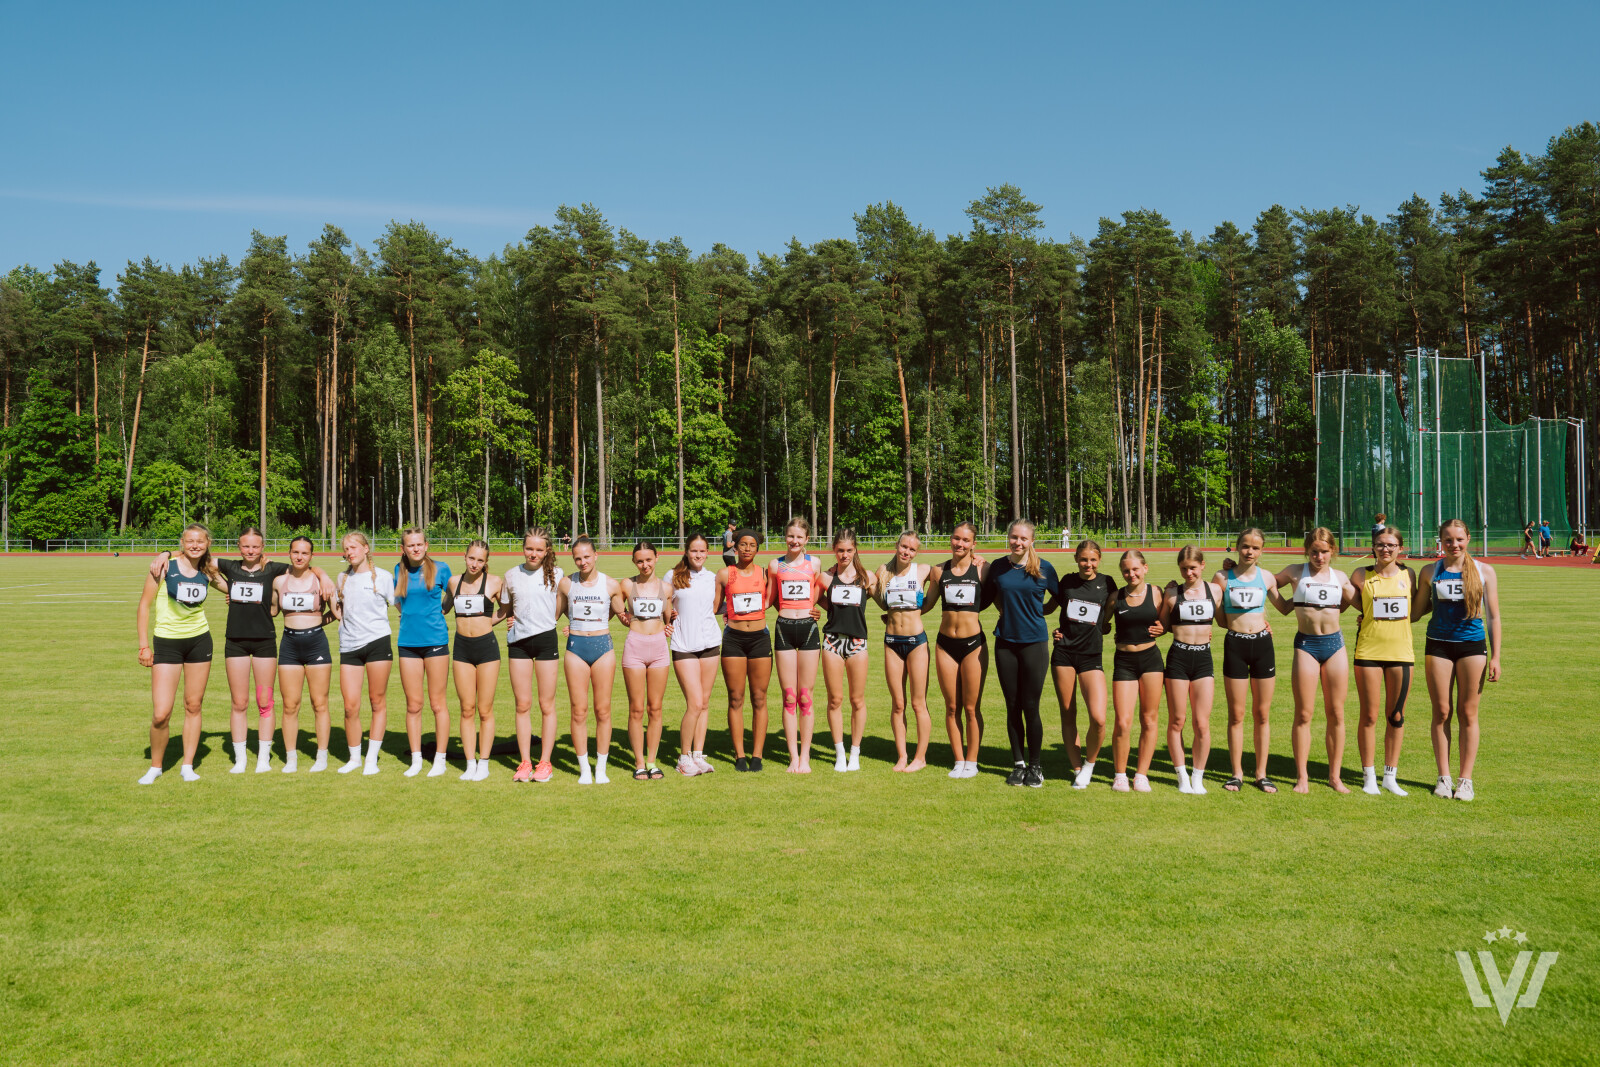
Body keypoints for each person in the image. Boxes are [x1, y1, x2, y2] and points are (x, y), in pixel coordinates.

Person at [147, 528, 335, 774]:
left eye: (255, 546)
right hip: (235, 643)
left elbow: (303, 566)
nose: (250, 550)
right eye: (246, 546)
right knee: (239, 702)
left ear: (263, 547)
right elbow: (195, 553)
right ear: (238, 546)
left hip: (265, 643)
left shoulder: (274, 569)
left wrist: (324, 574)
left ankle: (263, 759)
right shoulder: (230, 566)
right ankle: (241, 759)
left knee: (265, 702)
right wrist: (166, 553)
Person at [1413, 519, 1502, 802]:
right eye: (1448, 540)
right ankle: (1443, 777)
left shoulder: (1484, 571)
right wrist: (1370, 612)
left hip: (1472, 647)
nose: (1454, 544)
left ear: (1468, 539)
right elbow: (1414, 612)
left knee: (1468, 713)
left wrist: (1496, 656)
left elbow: (1493, 617)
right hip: (1438, 645)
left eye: (1459, 539)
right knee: (1441, 712)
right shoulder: (1430, 571)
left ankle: (1465, 780)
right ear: (1440, 541)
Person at [135, 524, 228, 783]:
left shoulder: (208, 571)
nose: (195, 545)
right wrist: (144, 646)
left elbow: (234, 588)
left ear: (208, 543)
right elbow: (144, 606)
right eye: (190, 541)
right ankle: (155, 767)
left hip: (199, 642)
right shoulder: (164, 567)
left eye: (200, 541)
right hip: (167, 643)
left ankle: (188, 765)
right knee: (161, 713)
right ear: (182, 543)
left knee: (193, 705)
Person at [1269, 528, 1356, 794]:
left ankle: (1335, 777)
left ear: (1333, 551)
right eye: (1314, 552)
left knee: (1336, 713)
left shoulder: (1340, 577)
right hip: (1306, 645)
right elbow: (1262, 582)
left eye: (1324, 552)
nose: (1319, 557)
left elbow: (1362, 602)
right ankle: (1302, 777)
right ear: (1307, 551)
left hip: (1335, 646)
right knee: (1304, 713)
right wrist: (1233, 567)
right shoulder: (1295, 572)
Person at [981, 519, 1059, 787]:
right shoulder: (998, 567)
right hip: (1005, 643)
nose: (1018, 542)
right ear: (1008, 537)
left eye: (1023, 538)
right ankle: (1018, 765)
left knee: (1031, 706)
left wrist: (1043, 611)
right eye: (1014, 537)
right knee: (1012, 706)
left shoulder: (1044, 568)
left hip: (1034, 644)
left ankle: (1035, 766)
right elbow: (987, 597)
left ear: (1032, 541)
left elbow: (1061, 597)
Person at [1350, 526, 1416, 797]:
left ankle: (1390, 777)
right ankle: (1369, 777)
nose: (1385, 549)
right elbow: (1357, 604)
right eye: (1380, 544)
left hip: (1401, 654)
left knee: (1396, 716)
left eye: (1391, 545)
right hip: (1368, 653)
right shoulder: (1360, 575)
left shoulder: (1409, 575)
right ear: (1373, 547)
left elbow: (1416, 609)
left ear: (1400, 548)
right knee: (1369, 715)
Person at [1049, 539, 1116, 789]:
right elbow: (1048, 608)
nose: (1088, 564)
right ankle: (1077, 768)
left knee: (1098, 718)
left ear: (1099, 560)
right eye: (1084, 559)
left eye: (1093, 560)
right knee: (1068, 713)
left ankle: (1089, 765)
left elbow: (1124, 605)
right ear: (1076, 558)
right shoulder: (1066, 581)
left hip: (1091, 656)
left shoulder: (1108, 583)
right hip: (1064, 654)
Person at [272, 536, 342, 773]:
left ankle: (321, 756)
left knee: (319, 703)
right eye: (295, 552)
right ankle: (291, 758)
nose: (299, 557)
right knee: (290, 705)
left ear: (312, 556)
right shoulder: (279, 581)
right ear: (289, 553)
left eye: (304, 553)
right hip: (289, 645)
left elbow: (338, 613)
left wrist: (319, 621)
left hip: (316, 645)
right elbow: (272, 610)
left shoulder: (321, 581)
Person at [1216, 528, 1277, 793]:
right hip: (1235, 645)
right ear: (1236, 546)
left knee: (1262, 714)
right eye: (1245, 546)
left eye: (1255, 548)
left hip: (1263, 645)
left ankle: (1261, 773)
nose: (1249, 551)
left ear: (1262, 551)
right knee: (1237, 714)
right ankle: (1237, 773)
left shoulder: (1267, 577)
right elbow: (1218, 617)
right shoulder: (1222, 577)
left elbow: (1285, 606)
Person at [501, 527, 563, 783]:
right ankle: (525, 762)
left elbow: (563, 606)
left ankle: (545, 762)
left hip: (546, 641)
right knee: (522, 704)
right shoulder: (511, 575)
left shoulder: (558, 575)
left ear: (547, 550)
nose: (533, 553)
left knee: (547, 705)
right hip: (519, 644)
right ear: (523, 548)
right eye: (529, 548)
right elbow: (506, 608)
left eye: (539, 549)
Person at [557, 536, 620, 784]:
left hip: (603, 648)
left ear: (596, 555)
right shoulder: (566, 583)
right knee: (579, 711)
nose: (583, 562)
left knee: (603, 710)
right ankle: (584, 769)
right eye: (577, 558)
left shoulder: (611, 584)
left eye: (586, 556)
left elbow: (620, 612)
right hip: (576, 649)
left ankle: (601, 769)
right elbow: (555, 613)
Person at [928, 521, 987, 779]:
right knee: (952, 707)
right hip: (945, 645)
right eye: (956, 538)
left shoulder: (983, 569)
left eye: (965, 540)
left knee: (972, 708)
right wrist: (897, 613)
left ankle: (972, 761)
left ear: (974, 544)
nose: (959, 544)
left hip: (973, 645)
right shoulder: (938, 571)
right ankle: (958, 760)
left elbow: (1002, 598)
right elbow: (927, 604)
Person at [335, 530, 396, 776]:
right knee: (350, 706)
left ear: (366, 549)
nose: (349, 552)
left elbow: (401, 605)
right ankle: (354, 758)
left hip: (377, 643)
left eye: (353, 547)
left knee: (376, 701)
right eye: (346, 549)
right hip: (349, 647)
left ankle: (371, 758)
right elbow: (339, 608)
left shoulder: (383, 577)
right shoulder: (342, 578)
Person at [394, 528, 453, 777]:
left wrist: (442, 611)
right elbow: (398, 602)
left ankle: (440, 759)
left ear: (426, 545)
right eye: (411, 545)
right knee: (413, 705)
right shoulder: (398, 570)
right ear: (403, 549)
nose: (415, 548)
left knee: (437, 704)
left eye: (419, 544)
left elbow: (452, 596)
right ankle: (416, 759)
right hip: (408, 643)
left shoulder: (441, 568)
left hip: (435, 642)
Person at [1161, 545, 1219, 795]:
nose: (1189, 573)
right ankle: (1182, 776)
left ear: (1202, 565)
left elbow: (1228, 619)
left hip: (1203, 659)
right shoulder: (1172, 593)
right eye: (1184, 569)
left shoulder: (1215, 590)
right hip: (1178, 658)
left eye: (1193, 568)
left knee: (1201, 723)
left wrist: (1263, 624)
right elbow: (1161, 625)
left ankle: (1198, 776)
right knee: (1177, 720)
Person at [768, 517, 824, 773]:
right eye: (791, 536)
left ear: (807, 539)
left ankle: (805, 757)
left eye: (799, 537)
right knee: (789, 697)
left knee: (805, 696)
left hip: (809, 630)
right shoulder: (775, 565)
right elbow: (769, 598)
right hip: (784, 630)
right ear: (785, 537)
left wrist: (814, 609)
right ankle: (793, 757)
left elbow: (818, 592)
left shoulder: (815, 564)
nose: (794, 541)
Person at [1108, 550, 1166, 792]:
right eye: (1126, 570)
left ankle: (1141, 774)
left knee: (1149, 719)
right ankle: (1120, 774)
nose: (1131, 574)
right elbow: (1098, 625)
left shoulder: (1157, 593)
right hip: (1124, 662)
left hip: (1151, 661)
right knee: (1123, 722)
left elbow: (1170, 622)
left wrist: (1165, 628)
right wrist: (1063, 632)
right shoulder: (1115, 597)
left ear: (1145, 568)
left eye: (1135, 569)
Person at [820, 528, 876, 773]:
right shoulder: (825, 577)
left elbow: (880, 595)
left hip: (857, 643)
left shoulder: (867, 578)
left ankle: (855, 753)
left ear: (855, 550)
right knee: (835, 700)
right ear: (834, 550)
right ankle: (840, 754)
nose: (844, 555)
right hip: (832, 641)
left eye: (849, 550)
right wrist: (827, 610)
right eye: (840, 550)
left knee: (857, 700)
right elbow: (815, 598)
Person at [877, 530, 934, 773]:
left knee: (918, 703)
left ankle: (920, 758)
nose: (907, 552)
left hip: (916, 642)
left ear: (916, 552)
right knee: (898, 704)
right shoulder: (883, 571)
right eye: (904, 546)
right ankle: (902, 756)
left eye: (912, 549)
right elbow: (878, 598)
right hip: (891, 642)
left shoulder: (923, 571)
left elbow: (949, 570)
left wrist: (976, 558)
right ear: (897, 545)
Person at [446, 540, 503, 782]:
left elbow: (506, 609)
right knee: (466, 708)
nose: (475, 564)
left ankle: (484, 763)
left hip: (487, 649)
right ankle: (470, 763)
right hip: (462, 649)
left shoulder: (494, 582)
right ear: (465, 556)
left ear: (486, 562)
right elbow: (444, 608)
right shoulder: (453, 582)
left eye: (480, 560)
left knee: (484, 709)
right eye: (472, 558)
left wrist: (487, 622)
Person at [717, 527, 771, 772]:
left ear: (757, 548)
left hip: (760, 639)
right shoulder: (724, 574)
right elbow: (715, 606)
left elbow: (776, 600)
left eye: (752, 545)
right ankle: (739, 755)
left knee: (759, 698)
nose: (747, 549)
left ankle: (757, 755)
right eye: (743, 544)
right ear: (735, 547)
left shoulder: (765, 573)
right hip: (734, 640)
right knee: (736, 698)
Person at [669, 534, 720, 777]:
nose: (698, 555)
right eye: (694, 550)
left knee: (705, 703)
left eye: (702, 551)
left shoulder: (713, 578)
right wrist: (667, 619)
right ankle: (683, 757)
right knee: (695, 703)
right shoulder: (673, 576)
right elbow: (663, 606)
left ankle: (698, 755)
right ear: (687, 552)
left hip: (710, 644)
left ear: (707, 552)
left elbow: (717, 607)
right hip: (684, 646)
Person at [619, 541, 671, 780]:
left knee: (655, 708)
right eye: (639, 561)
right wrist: (623, 615)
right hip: (635, 648)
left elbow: (669, 618)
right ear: (634, 562)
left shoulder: (666, 588)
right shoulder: (626, 585)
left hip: (659, 649)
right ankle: (639, 762)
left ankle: (652, 761)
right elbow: (616, 609)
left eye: (649, 560)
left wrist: (670, 625)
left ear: (656, 558)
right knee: (637, 708)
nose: (645, 565)